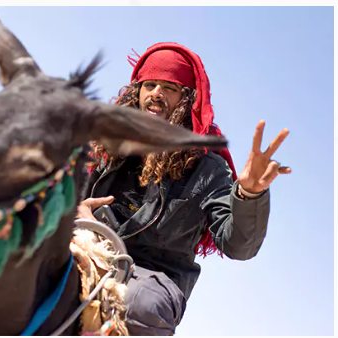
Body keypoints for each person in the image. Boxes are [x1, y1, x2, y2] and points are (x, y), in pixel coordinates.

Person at [76, 42, 291, 335]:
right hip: (90, 250)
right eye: (150, 84)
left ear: (186, 100)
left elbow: (238, 246)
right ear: (136, 92)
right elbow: (63, 192)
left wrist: (249, 194)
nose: (156, 93)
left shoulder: (208, 169)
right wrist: (76, 211)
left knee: (142, 306)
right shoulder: (103, 145)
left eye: (169, 87)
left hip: (152, 279)